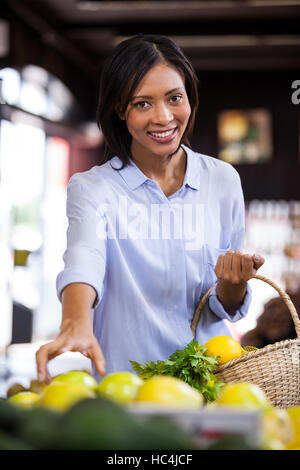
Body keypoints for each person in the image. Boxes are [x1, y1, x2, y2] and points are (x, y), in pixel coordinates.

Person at [36, 34, 264, 383]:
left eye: (175, 98)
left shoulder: (223, 180)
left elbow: (224, 306)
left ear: (189, 96)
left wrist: (234, 284)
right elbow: (84, 258)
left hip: (210, 386)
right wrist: (75, 322)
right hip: (125, 392)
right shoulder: (94, 188)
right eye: (142, 103)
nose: (163, 117)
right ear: (119, 109)